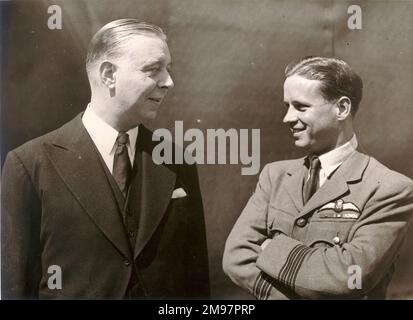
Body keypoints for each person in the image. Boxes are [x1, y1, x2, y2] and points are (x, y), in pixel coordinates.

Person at [1, 19, 210, 299]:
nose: (169, 82)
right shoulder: (29, 164)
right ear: (108, 74)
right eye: (153, 69)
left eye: (168, 70)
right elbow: (16, 287)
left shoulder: (177, 160)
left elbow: (196, 285)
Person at [223, 56, 413, 299]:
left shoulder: (389, 188)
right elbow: (235, 256)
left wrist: (268, 247)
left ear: (342, 109)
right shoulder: (275, 176)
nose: (288, 118)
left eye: (301, 107)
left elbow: (350, 275)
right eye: (287, 106)